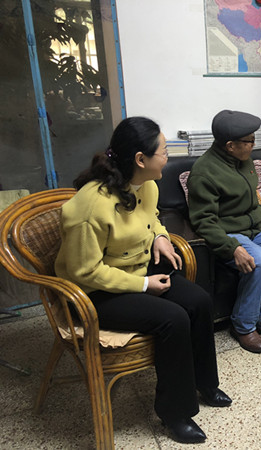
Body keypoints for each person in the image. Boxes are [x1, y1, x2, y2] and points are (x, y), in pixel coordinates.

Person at [54, 117, 231, 444]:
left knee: (199, 301)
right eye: (163, 151)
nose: (167, 156)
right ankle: (175, 413)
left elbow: (151, 217)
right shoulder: (90, 208)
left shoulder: (146, 183)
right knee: (173, 319)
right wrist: (145, 286)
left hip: (134, 270)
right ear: (140, 159)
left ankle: (204, 382)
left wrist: (160, 236)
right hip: (94, 292)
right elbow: (84, 272)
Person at [187, 110, 261, 354]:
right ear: (230, 145)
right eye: (249, 141)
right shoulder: (204, 172)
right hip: (226, 232)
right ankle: (243, 326)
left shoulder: (243, 159)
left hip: (254, 226)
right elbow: (203, 222)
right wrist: (232, 247)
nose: (253, 145)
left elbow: (252, 200)